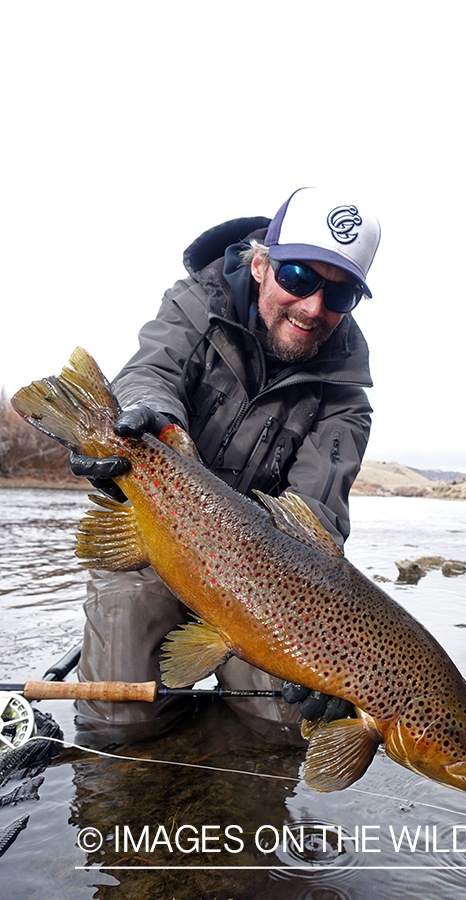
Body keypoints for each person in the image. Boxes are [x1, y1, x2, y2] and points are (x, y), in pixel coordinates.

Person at [70, 187, 381, 744]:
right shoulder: (197, 303)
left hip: (264, 583)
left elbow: (316, 517)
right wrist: (152, 419)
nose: (313, 308)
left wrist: (323, 659)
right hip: (157, 532)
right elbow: (150, 373)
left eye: (340, 295)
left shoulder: (347, 399)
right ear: (261, 264)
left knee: (287, 728)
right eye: (299, 279)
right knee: (118, 723)